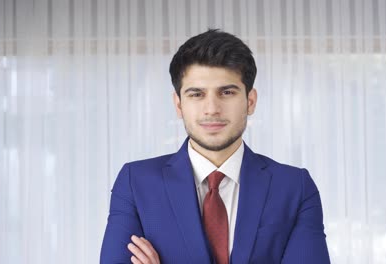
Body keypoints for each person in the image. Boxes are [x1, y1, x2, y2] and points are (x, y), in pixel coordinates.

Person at [100, 29, 330, 264]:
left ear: (250, 101)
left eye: (227, 92)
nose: (212, 108)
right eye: (196, 94)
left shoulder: (294, 187)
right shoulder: (135, 183)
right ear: (178, 105)